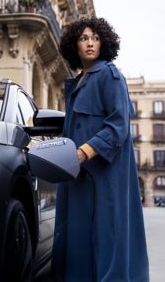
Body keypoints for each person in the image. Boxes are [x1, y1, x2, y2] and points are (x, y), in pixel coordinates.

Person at [52, 17, 149, 281]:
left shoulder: (109, 74)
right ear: (75, 45)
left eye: (95, 38)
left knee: (108, 240)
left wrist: (83, 152)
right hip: (78, 176)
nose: (90, 43)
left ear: (104, 43)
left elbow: (118, 126)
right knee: (78, 239)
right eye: (84, 38)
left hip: (105, 177)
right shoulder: (77, 83)